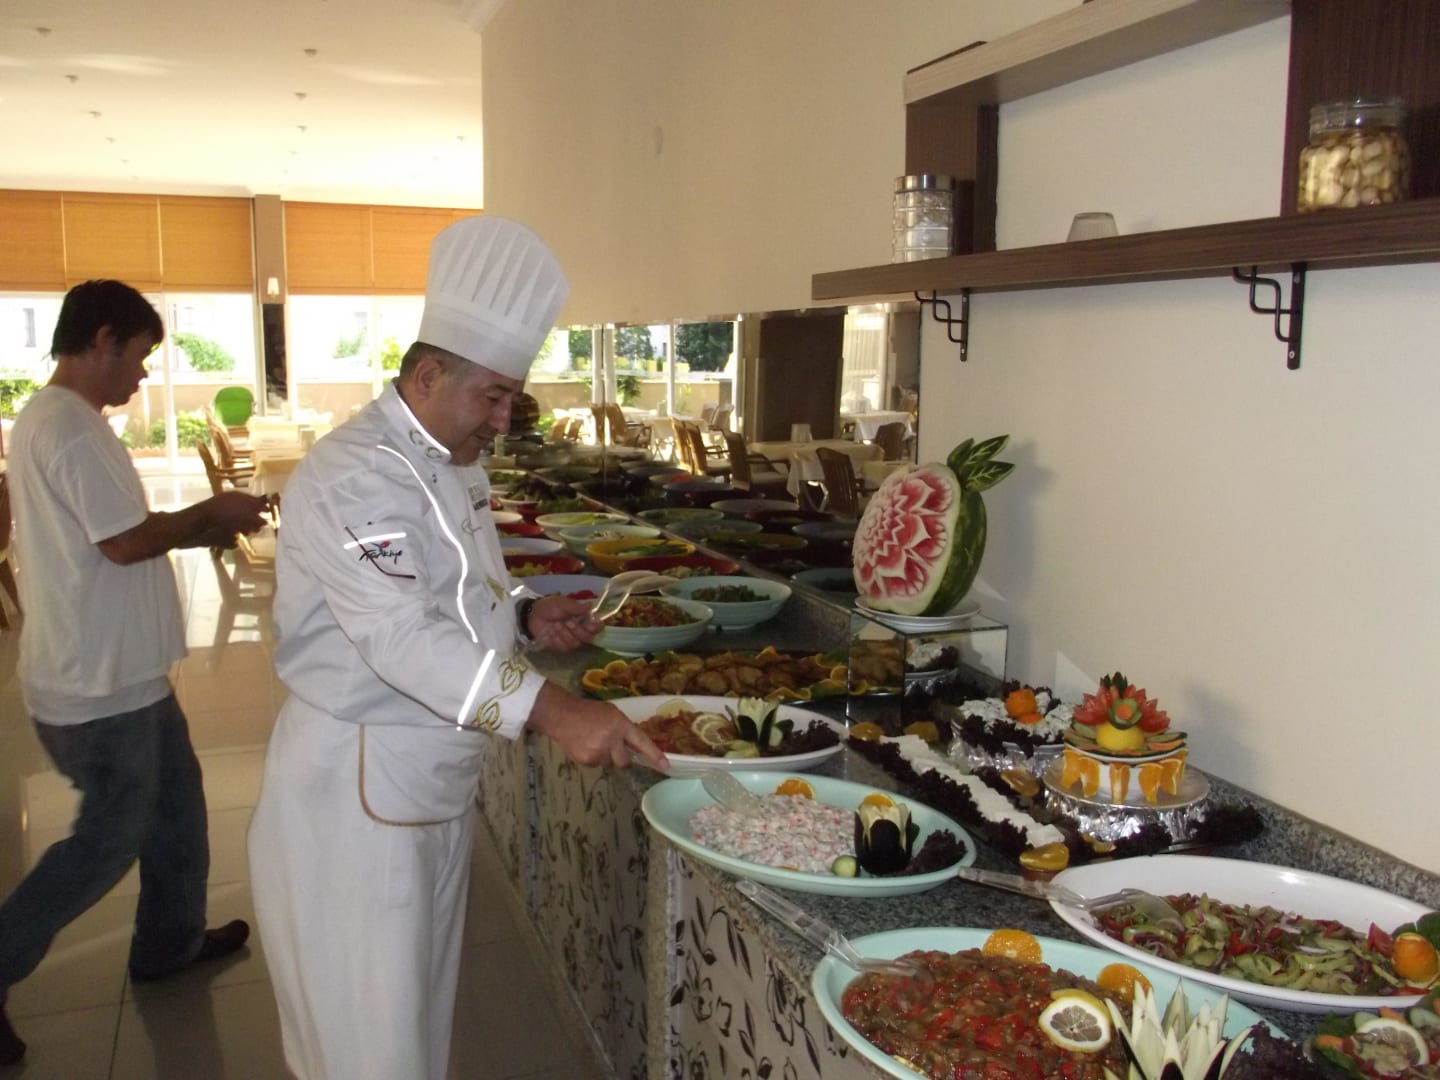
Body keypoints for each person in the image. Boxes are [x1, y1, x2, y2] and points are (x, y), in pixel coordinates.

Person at [246, 216, 667, 1080]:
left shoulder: (452, 457)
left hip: (425, 781)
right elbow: (399, 633)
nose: (505, 420)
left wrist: (524, 617)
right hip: (353, 792)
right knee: (370, 1046)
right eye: (494, 397)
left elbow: (452, 590)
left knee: (413, 1027)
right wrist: (553, 710)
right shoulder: (355, 474)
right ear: (428, 375)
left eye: (513, 398)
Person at [0, 280, 272, 1067]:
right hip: (94, 685)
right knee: (105, 842)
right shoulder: (68, 428)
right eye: (141, 355)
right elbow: (122, 542)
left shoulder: (60, 418)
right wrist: (212, 514)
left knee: (178, 813)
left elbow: (111, 537)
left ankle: (168, 943)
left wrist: (201, 525)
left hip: (125, 674)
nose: (144, 373)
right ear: (103, 340)